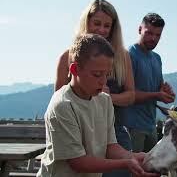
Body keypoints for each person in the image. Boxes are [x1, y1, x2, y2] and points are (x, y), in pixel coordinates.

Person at [37, 34, 158, 177]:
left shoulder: (104, 100)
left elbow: (110, 146)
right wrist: (125, 163)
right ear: (75, 70)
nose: (103, 82)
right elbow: (78, 162)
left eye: (106, 74)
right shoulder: (62, 105)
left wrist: (131, 156)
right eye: (97, 74)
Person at [54, 0, 134, 176]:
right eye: (97, 23)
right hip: (78, 131)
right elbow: (61, 96)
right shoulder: (66, 59)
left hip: (113, 129)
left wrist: (105, 97)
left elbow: (131, 95)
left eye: (107, 26)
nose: (102, 30)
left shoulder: (121, 56)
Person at [124, 13, 176, 153]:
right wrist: (157, 95)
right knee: (133, 171)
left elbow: (158, 89)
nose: (153, 38)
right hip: (131, 127)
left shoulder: (157, 58)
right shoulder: (129, 55)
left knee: (151, 171)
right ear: (139, 29)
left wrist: (166, 93)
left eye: (158, 35)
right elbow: (127, 94)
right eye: (149, 33)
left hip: (150, 126)